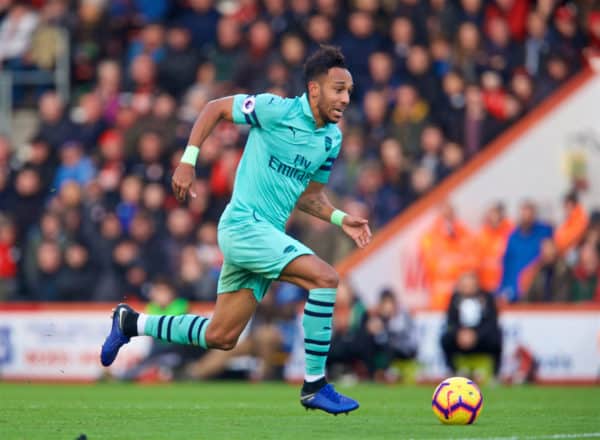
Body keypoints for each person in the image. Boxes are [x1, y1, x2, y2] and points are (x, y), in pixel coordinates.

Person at [100, 46, 372, 415]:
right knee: (325, 279)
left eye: (349, 91)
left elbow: (309, 197)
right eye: (338, 89)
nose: (345, 98)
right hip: (244, 225)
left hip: (265, 236)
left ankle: (132, 322)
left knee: (221, 336)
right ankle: (314, 384)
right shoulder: (274, 110)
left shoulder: (330, 139)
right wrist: (188, 160)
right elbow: (215, 107)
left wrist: (341, 219)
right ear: (314, 89)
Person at [440, 272, 503, 377]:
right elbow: (451, 321)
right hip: (461, 338)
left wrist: (476, 335)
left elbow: (492, 322)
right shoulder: (455, 298)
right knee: (445, 338)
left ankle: (495, 374)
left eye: (470, 285)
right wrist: (460, 333)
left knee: (496, 338)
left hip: (481, 338)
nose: (467, 288)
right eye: (464, 285)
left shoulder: (487, 298)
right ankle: (453, 371)